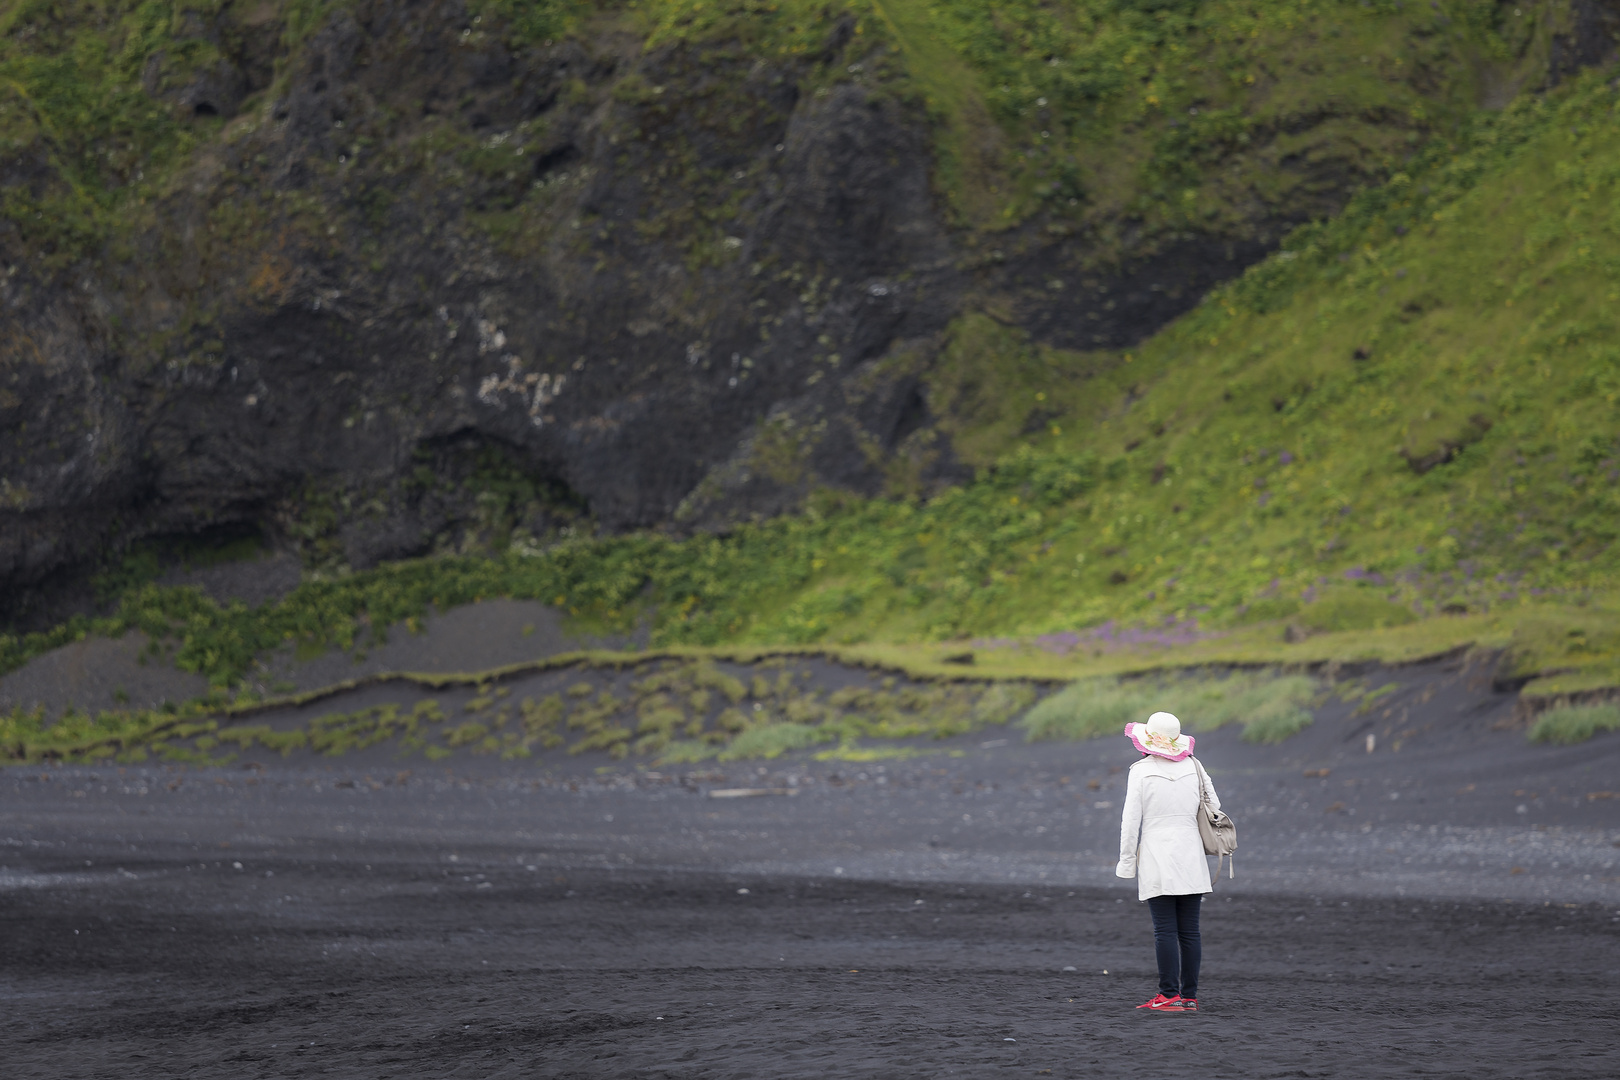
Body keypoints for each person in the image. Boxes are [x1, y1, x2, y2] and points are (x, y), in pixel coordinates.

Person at [1115, 710, 1220, 1013]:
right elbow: (1215, 805)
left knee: (1165, 930)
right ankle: (1189, 997)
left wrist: (1126, 862)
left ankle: (1168, 994)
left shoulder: (1140, 771)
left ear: (1146, 740)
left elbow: (1130, 820)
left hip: (1156, 852)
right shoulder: (1195, 765)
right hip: (1191, 852)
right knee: (1190, 931)